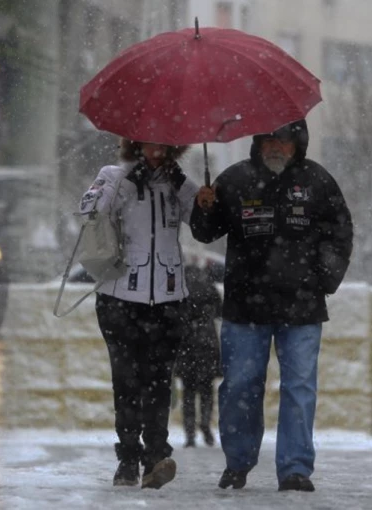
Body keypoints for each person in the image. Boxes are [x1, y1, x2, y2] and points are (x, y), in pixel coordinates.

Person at [191, 119, 353, 492]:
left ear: (298, 144)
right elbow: (204, 232)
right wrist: (205, 208)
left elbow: (340, 232)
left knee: (299, 387)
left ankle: (295, 469)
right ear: (257, 142)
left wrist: (323, 278)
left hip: (303, 308)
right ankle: (238, 462)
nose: (275, 147)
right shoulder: (233, 180)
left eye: (283, 140)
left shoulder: (319, 182)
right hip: (245, 307)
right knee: (240, 386)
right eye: (268, 140)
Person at [80, 140, 199, 489]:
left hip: (169, 296)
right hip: (120, 296)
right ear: (134, 142)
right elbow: (90, 210)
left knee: (160, 381)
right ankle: (128, 458)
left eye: (164, 141)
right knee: (127, 380)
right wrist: (126, 181)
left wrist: (200, 196)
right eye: (148, 140)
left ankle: (156, 457)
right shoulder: (114, 176)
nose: (156, 147)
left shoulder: (180, 183)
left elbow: (205, 228)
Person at [175, 262, 222, 448]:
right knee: (207, 389)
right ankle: (205, 424)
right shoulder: (209, 285)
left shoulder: (181, 286)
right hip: (207, 342)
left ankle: (190, 433)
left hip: (186, 343)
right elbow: (220, 311)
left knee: (188, 391)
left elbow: (174, 313)